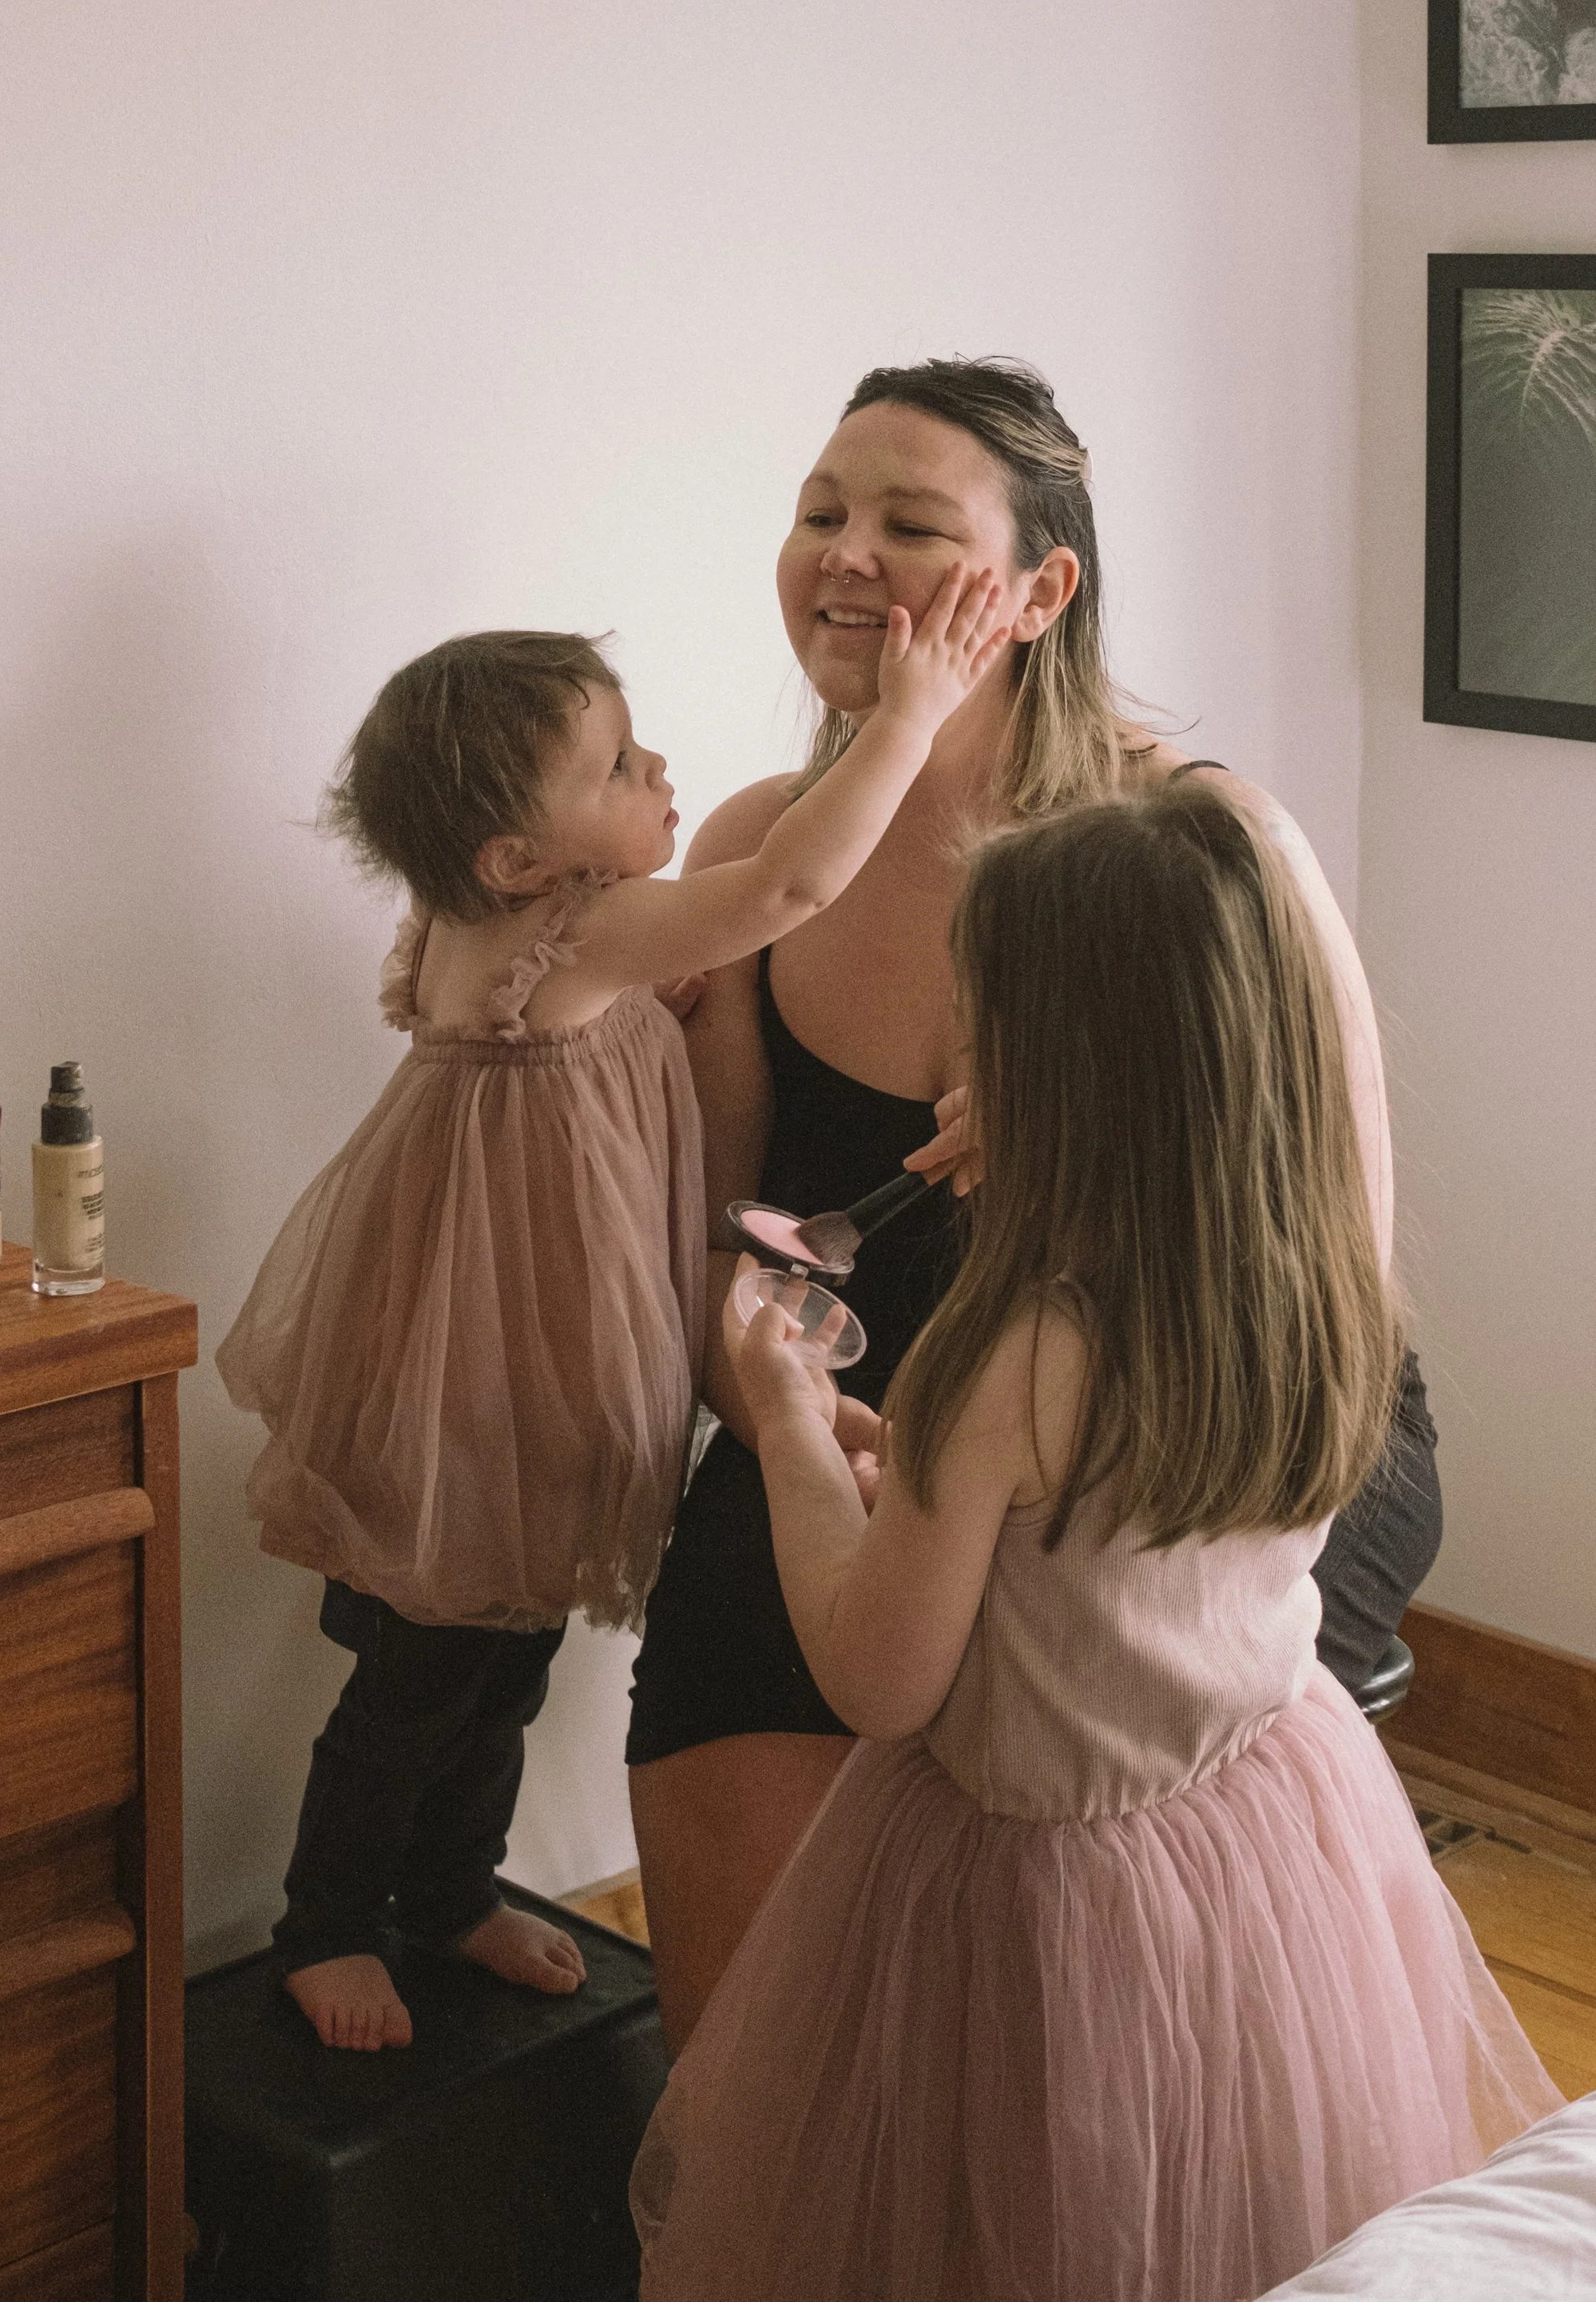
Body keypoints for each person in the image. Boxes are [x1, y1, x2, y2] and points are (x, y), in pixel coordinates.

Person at [631, 784, 1558, 2302]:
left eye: (983, 1037)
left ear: (1063, 1077)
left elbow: (878, 1675)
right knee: (1247, 2214)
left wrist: (797, 1423)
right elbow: (1102, 1548)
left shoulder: (1002, 1359)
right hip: (1267, 1853)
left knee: (1034, 2226)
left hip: (1040, 1916)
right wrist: (916, 1477)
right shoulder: (1314, 1287)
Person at [625, 355, 1444, 2050]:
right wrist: (809, 1434)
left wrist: (1109, 1134)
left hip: (1170, 1436)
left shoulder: (1204, 851)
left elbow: (1332, 1280)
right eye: (817, 513)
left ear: (1039, 587)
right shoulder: (762, 846)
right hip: (869, 1418)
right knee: (753, 1967)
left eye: (909, 524)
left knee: (1041, 1959)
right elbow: (727, 1244)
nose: (844, 555)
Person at [218, 590, 1010, 2051]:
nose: (661, 777)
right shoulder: (577, 932)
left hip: (488, 1354)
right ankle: (326, 1923)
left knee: (498, 1654)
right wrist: (905, 716)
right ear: (524, 860)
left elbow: (626, 1019)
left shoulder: (502, 923)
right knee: (422, 1673)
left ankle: (453, 1888)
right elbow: (784, 889)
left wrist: (675, 999)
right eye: (621, 767)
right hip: (492, 1372)